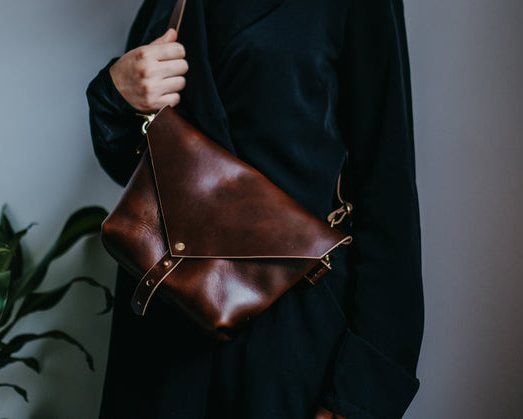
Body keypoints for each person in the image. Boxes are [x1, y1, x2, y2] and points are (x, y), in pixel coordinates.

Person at [86, 0, 424, 418]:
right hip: (164, 322)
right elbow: (139, 169)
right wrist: (113, 94)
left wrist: (360, 389)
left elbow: (385, 186)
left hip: (288, 332)